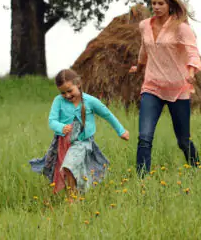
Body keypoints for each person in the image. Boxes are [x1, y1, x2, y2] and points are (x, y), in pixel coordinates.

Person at [129, 0, 201, 176]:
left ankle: (196, 168)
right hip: (152, 87)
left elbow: (193, 53)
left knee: (183, 140)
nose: (156, 7)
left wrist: (192, 72)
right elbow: (145, 48)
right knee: (144, 137)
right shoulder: (145, 25)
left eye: (161, 3)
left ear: (170, 4)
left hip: (178, 89)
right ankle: (142, 179)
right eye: (153, 3)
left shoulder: (181, 28)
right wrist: (138, 65)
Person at [29, 68, 130, 197]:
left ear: (78, 84)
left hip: (82, 142)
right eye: (63, 92)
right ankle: (75, 194)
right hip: (63, 143)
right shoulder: (58, 101)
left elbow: (107, 114)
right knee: (66, 171)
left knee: (69, 166)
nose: (67, 95)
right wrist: (60, 127)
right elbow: (52, 121)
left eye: (69, 91)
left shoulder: (90, 101)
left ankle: (72, 198)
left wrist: (121, 131)